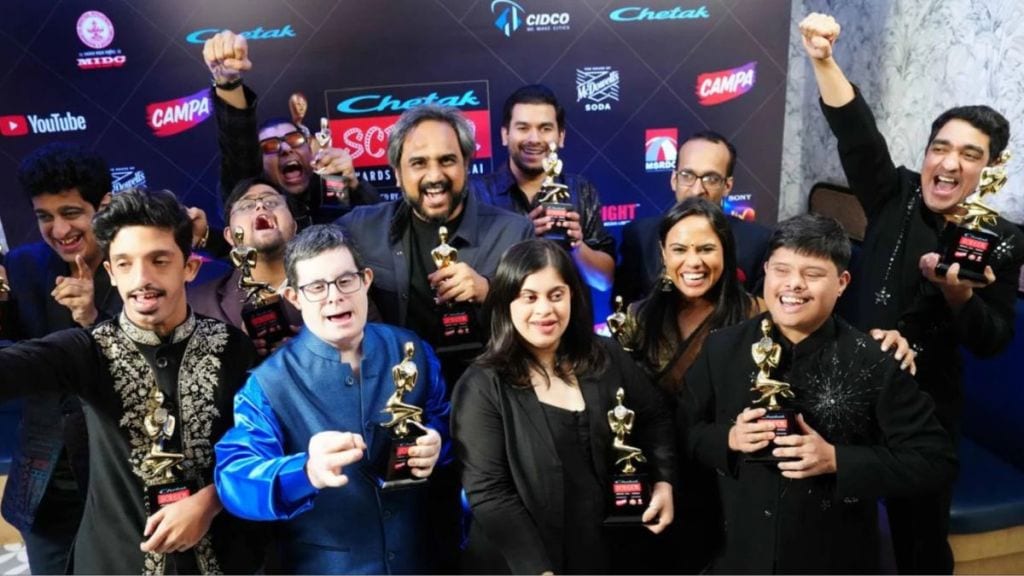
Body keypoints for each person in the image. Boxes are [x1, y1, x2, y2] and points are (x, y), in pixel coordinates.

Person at [800, 12, 1024, 573]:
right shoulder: (893, 193)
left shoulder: (999, 238)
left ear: (991, 169)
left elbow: (993, 341)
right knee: (826, 527)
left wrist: (959, 297)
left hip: (925, 410)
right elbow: (857, 135)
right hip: (848, 386)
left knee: (921, 545)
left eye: (969, 154)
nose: (948, 163)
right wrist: (823, 59)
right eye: (939, 147)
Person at [0, 188, 262, 574]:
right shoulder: (88, 350)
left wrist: (211, 501)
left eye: (159, 261)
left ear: (189, 267)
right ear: (111, 272)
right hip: (114, 561)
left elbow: (260, 445)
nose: (142, 279)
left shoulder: (231, 347)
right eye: (125, 264)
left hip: (224, 557)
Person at [678, 213, 958, 573]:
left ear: (842, 282)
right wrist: (729, 439)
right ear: (766, 271)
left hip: (834, 556)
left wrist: (836, 460)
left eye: (812, 274)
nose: (794, 284)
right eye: (782, 270)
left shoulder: (873, 360)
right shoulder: (722, 348)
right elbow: (686, 432)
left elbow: (935, 460)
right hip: (738, 552)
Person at [214, 224, 449, 573]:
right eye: (316, 287)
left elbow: (446, 422)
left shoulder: (411, 350)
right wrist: (306, 471)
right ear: (293, 297)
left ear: (366, 280)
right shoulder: (267, 384)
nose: (334, 296)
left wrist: (438, 442)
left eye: (345, 280)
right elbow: (234, 478)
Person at [451, 239, 675, 574]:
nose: (545, 310)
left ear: (573, 296)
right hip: (524, 562)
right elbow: (490, 493)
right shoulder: (481, 385)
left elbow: (655, 416)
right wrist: (538, 569)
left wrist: (664, 481)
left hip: (609, 552)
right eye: (529, 297)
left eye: (556, 295)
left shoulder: (607, 355)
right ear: (506, 302)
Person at [336, 103, 534, 386]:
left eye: (447, 160)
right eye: (418, 163)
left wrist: (489, 291)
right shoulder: (359, 228)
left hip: (487, 390)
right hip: (396, 390)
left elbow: (542, 316)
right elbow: (302, 256)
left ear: (466, 164)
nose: (434, 176)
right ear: (397, 172)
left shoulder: (514, 232)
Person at [0, 143, 121, 575]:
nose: (59, 229)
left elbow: (147, 365)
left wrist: (93, 318)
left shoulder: (135, 265)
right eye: (45, 216)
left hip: (120, 475)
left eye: (71, 213)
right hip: (45, 486)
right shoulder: (22, 266)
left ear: (103, 206)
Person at [202, 30, 379, 228]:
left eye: (295, 139)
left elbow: (377, 228)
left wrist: (354, 186)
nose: (285, 149)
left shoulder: (332, 187)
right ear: (259, 163)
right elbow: (239, 146)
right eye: (270, 146)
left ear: (311, 148)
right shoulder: (251, 200)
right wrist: (228, 83)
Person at [472, 84, 616, 291]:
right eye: (523, 128)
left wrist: (576, 246)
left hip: (567, 312)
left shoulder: (581, 190)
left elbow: (603, 281)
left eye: (545, 128)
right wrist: (521, 238)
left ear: (561, 136)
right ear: (505, 135)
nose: (534, 139)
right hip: (503, 312)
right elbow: (470, 276)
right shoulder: (477, 194)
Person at [615, 131, 772, 305]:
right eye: (687, 176)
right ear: (674, 179)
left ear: (727, 186)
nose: (697, 190)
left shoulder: (758, 242)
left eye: (711, 179)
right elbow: (623, 306)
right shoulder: (639, 235)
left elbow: (765, 312)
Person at [188, 176, 303, 354]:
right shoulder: (196, 306)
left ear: (294, 226)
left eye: (272, 202)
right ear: (229, 236)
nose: (260, 206)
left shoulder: (334, 285)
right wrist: (239, 355)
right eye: (246, 206)